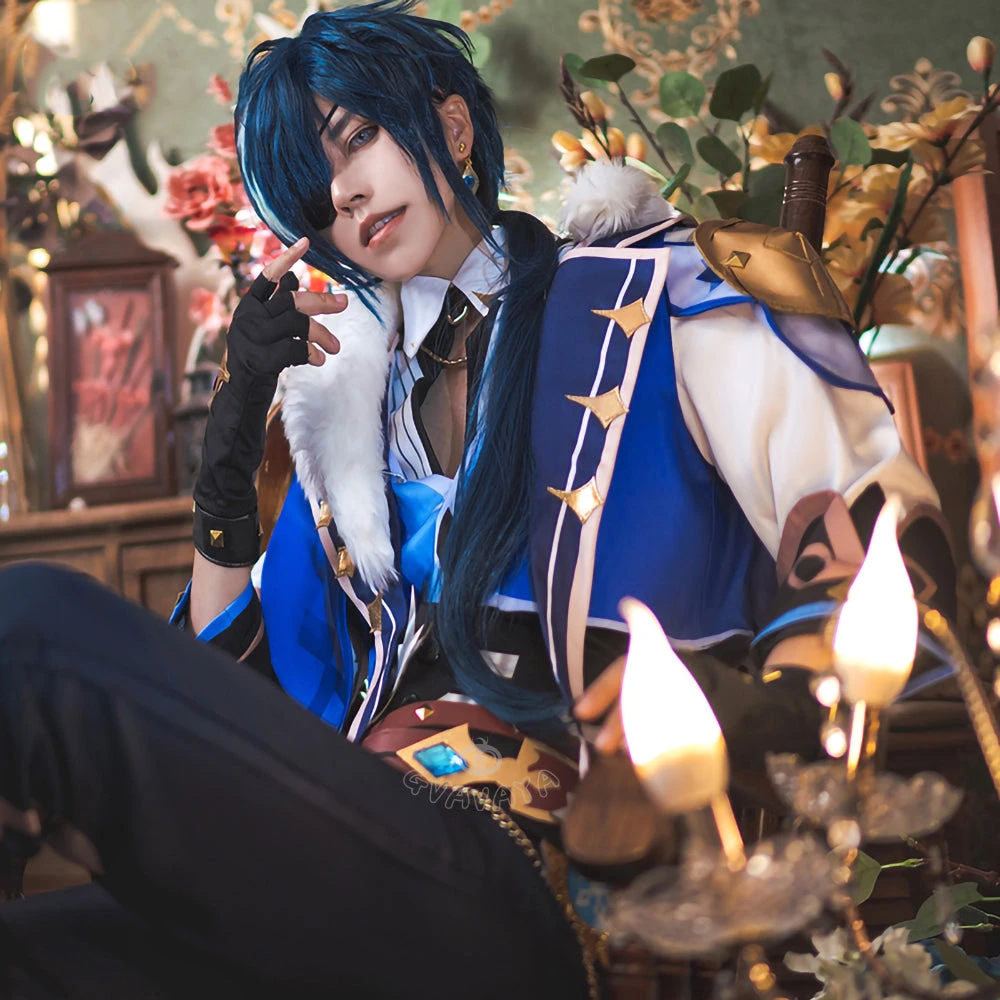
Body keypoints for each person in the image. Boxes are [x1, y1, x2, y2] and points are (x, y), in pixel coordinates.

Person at [0, 2, 954, 997]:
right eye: (316, 193)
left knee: (26, 626)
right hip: (342, 848)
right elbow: (237, 699)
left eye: (357, 138)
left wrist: (740, 716)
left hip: (548, 868)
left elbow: (888, 554)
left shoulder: (664, 297)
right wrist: (231, 447)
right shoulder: (348, 423)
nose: (344, 194)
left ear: (451, 124)